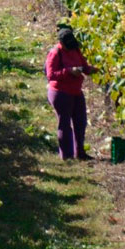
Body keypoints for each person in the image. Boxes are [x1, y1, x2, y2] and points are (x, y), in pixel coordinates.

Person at [45, 26, 98, 161]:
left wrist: (91, 69)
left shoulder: (75, 49)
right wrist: (68, 71)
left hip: (76, 91)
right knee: (65, 124)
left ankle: (79, 153)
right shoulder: (55, 53)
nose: (71, 48)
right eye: (67, 46)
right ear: (61, 43)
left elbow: (84, 66)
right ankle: (67, 157)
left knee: (81, 122)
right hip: (60, 93)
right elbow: (50, 75)